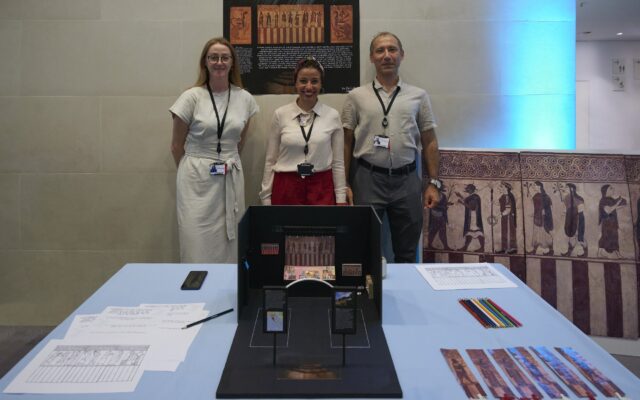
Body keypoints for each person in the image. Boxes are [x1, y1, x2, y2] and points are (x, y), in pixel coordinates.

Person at [341, 32, 441, 263]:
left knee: (407, 252)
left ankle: (405, 298)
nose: (387, 55)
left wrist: (434, 183)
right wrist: (344, 182)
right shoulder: (356, 96)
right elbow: (346, 141)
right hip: (367, 179)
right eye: (380, 50)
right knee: (365, 248)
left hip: (407, 182)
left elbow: (430, 141)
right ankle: (370, 298)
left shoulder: (418, 96)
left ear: (401, 55)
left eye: (392, 50)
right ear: (371, 57)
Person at [169, 37, 258, 263]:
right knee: (195, 241)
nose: (219, 62)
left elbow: (239, 141)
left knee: (230, 243)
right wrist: (196, 170)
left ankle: (226, 295)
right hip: (196, 180)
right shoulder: (191, 97)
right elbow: (176, 146)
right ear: (205, 63)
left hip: (230, 175)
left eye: (224, 57)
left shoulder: (244, 98)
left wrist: (223, 161)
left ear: (232, 63)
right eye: (213, 57)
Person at [260, 57, 346, 205]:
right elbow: (270, 160)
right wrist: (266, 197)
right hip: (287, 186)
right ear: (295, 83)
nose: (308, 86)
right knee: (286, 228)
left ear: (321, 84)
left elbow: (338, 163)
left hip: (321, 187)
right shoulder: (280, 114)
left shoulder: (332, 116)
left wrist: (341, 198)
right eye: (303, 80)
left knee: (320, 229)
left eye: (314, 81)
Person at [598, 184, 626, 257]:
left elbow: (614, 209)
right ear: (606, 191)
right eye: (611, 188)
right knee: (605, 237)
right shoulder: (603, 200)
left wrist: (622, 204)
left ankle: (618, 255)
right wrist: (617, 203)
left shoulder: (612, 199)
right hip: (607, 222)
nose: (613, 189)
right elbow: (608, 210)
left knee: (615, 237)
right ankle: (599, 253)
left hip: (613, 222)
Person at [456, 184, 485, 252]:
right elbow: (467, 201)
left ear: (472, 189)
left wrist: (461, 202)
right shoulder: (472, 196)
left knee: (477, 231)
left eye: (468, 189)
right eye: (467, 189)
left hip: (474, 217)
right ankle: (465, 247)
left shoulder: (475, 197)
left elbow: (472, 207)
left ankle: (482, 248)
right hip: (471, 216)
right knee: (470, 232)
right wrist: (460, 196)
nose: (467, 190)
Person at [562, 183, 587, 257]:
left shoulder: (579, 199)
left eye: (566, 188)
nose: (564, 189)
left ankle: (580, 250)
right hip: (568, 218)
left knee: (576, 235)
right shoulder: (566, 198)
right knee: (568, 235)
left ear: (572, 189)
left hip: (577, 218)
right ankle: (567, 250)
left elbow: (580, 212)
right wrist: (564, 213)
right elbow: (565, 210)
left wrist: (577, 221)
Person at [530, 181, 554, 255]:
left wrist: (544, 213)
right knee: (536, 234)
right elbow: (535, 207)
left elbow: (549, 208)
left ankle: (550, 250)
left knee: (545, 234)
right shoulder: (535, 195)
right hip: (537, 217)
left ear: (539, 186)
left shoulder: (545, 196)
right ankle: (534, 249)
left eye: (535, 185)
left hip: (543, 219)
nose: (533, 187)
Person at [498, 182, 517, 254]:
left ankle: (511, 248)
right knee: (504, 231)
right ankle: (504, 248)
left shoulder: (508, 197)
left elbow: (508, 209)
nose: (500, 188)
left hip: (508, 217)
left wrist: (501, 214)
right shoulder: (503, 196)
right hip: (504, 217)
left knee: (509, 231)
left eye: (501, 187)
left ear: (506, 188)